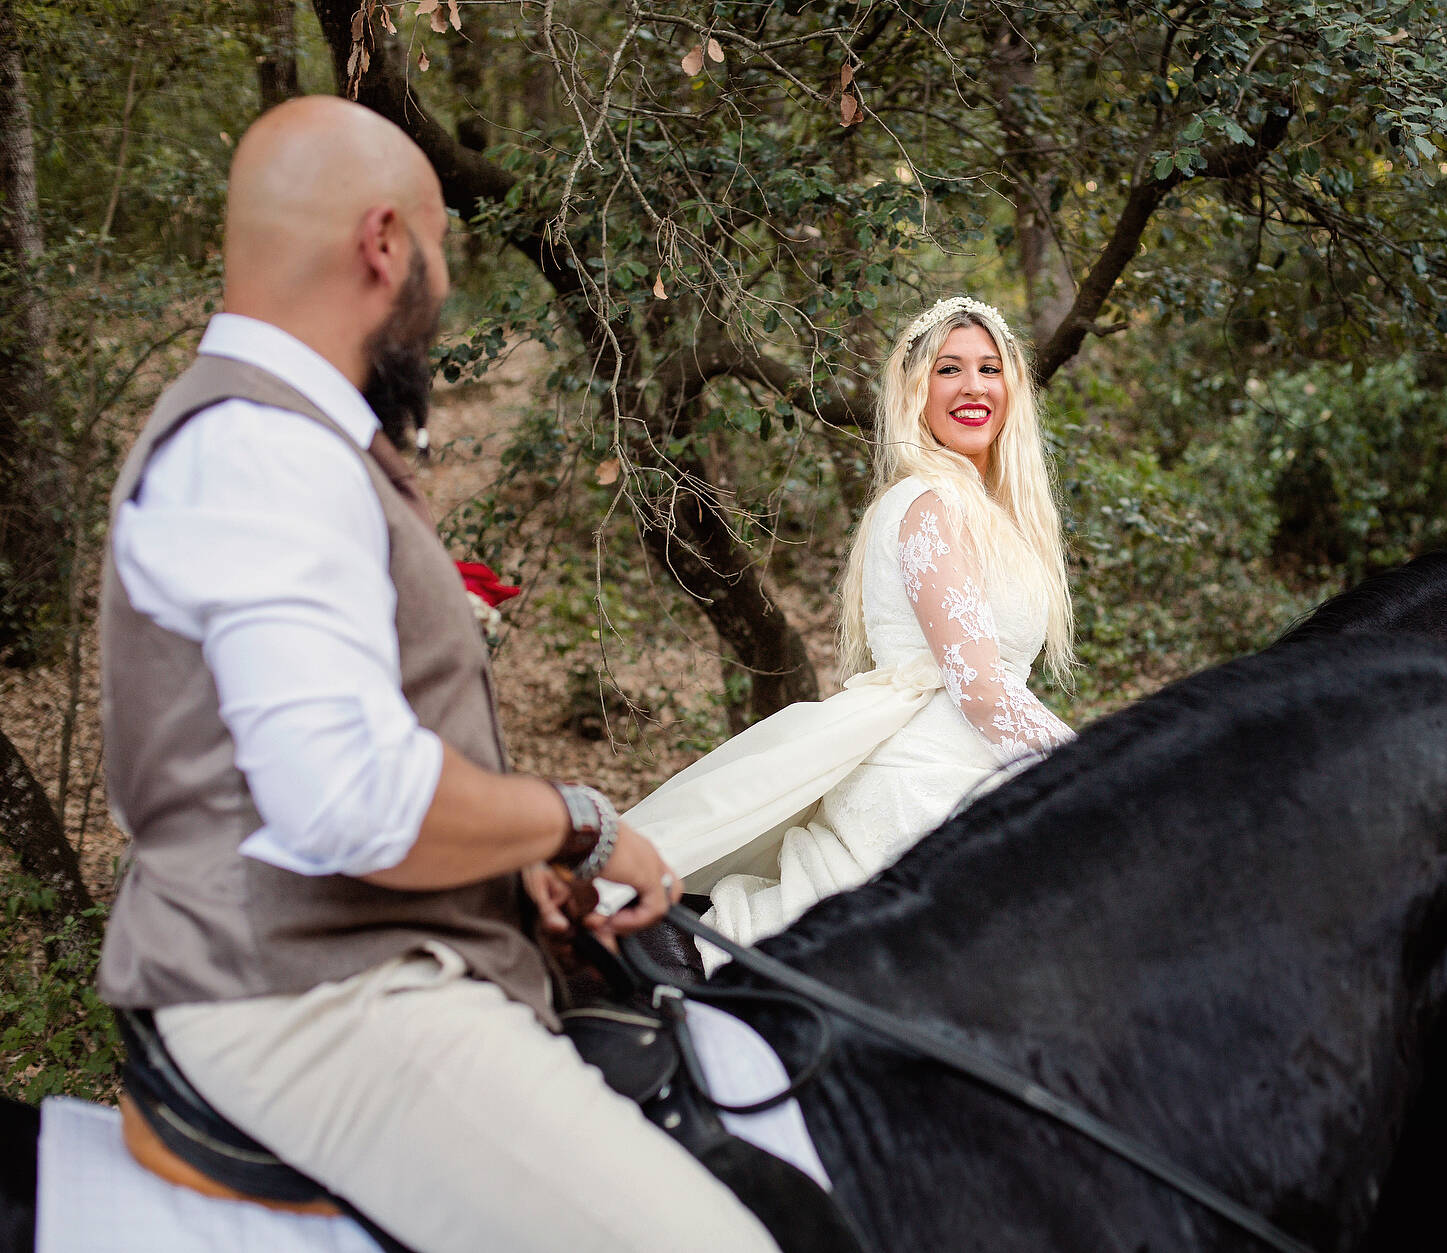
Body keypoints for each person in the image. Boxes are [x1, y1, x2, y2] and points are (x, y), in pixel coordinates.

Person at [95, 96, 781, 1253]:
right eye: (441, 248)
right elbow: (353, 801)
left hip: (350, 951)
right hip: (316, 994)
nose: (445, 284)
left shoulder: (282, 435)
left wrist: (507, 864)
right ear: (384, 244)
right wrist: (578, 824)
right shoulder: (264, 449)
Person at [610, 296, 1075, 964]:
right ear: (915, 391)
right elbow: (978, 687)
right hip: (929, 774)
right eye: (948, 369)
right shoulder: (929, 503)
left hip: (976, 757)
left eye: (989, 368)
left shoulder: (994, 513)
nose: (973, 386)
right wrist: (1092, 762)